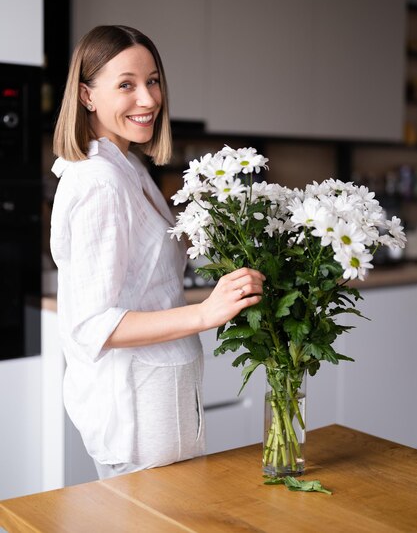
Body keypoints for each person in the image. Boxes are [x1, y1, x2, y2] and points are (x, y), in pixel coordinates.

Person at [50, 25, 265, 480]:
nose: (147, 99)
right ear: (87, 96)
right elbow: (94, 324)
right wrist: (207, 313)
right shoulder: (98, 183)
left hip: (161, 396)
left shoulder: (128, 165)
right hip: (137, 412)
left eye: (153, 81)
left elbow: (145, 274)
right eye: (126, 84)